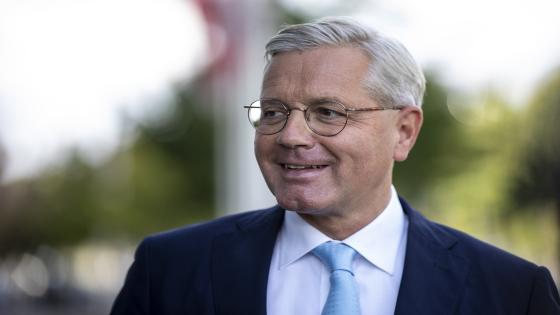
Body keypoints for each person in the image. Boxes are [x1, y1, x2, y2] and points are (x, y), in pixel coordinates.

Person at [110, 17, 560, 315]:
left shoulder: (513, 294)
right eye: (272, 112)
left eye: (328, 112)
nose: (290, 135)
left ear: (404, 131)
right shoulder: (168, 271)